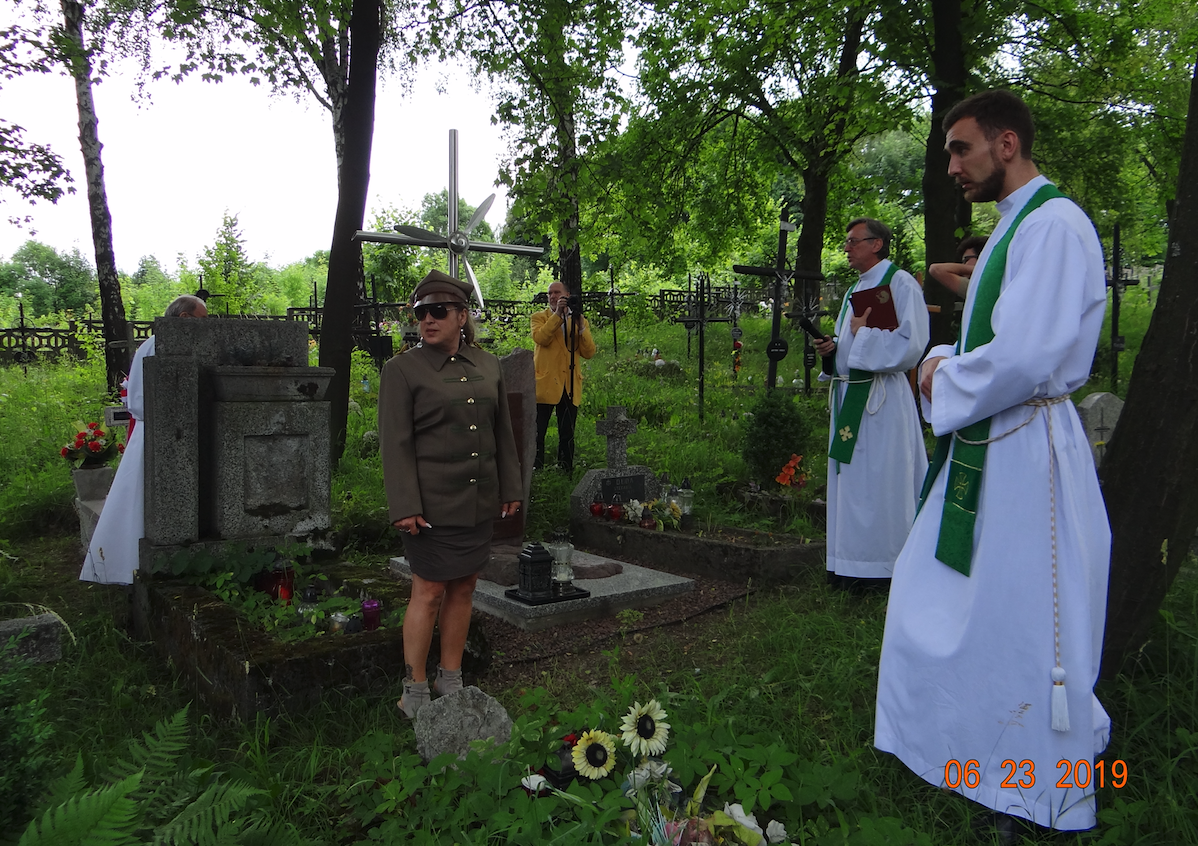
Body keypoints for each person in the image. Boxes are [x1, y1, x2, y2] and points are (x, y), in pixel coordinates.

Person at [874, 90, 1110, 837]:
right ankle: (977, 756)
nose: (952, 166)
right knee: (955, 602)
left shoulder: (1055, 226)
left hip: (1027, 451)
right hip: (992, 441)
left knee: (1024, 622)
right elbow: (996, 345)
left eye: (961, 149)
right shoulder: (1017, 228)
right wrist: (948, 355)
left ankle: (1040, 791)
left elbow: (1031, 354)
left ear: (1007, 145)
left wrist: (944, 374)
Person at [379, 270, 522, 718]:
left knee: (465, 586)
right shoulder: (402, 370)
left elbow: (502, 433)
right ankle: (414, 689)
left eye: (439, 311)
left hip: (479, 500)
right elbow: (395, 442)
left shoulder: (488, 364)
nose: (428, 319)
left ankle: (451, 677)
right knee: (428, 590)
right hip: (430, 505)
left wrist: (511, 486)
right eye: (422, 312)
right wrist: (404, 505)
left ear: (462, 315)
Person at [813, 218, 929, 589]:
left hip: (881, 401)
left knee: (883, 482)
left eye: (853, 241)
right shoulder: (855, 289)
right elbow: (850, 343)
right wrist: (833, 350)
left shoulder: (900, 283)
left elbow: (911, 345)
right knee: (853, 483)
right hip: (851, 395)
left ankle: (885, 568)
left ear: (877, 244)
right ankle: (849, 563)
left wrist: (861, 340)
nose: (846, 248)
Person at [80, 294, 208, 585]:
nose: (207, 326)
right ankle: (125, 566)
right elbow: (138, 401)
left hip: (176, 433)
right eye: (203, 319)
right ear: (184, 318)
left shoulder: (180, 345)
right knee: (140, 500)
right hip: (154, 434)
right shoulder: (155, 345)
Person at [532, 280, 596, 473]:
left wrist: (581, 327)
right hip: (545, 384)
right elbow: (541, 338)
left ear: (567, 295)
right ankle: (536, 469)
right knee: (537, 432)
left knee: (567, 433)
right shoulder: (539, 317)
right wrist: (558, 315)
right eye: (549, 293)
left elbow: (589, 352)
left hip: (569, 384)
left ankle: (565, 471)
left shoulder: (578, 320)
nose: (552, 296)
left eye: (556, 293)